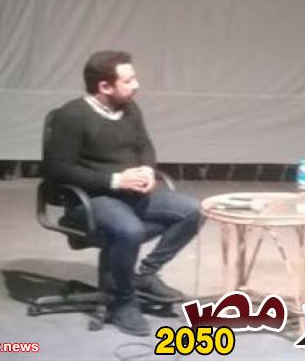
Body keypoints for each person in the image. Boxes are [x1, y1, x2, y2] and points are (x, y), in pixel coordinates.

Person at [43, 50, 201, 336]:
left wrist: (147, 171)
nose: (136, 85)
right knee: (129, 230)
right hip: (91, 198)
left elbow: (144, 146)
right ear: (105, 86)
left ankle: (145, 275)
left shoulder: (130, 109)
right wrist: (116, 181)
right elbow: (59, 169)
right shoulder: (72, 116)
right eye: (128, 81)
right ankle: (123, 301)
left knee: (192, 211)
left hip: (132, 195)